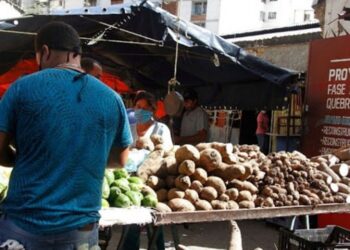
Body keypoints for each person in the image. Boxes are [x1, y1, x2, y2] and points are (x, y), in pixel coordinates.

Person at [0, 22, 132, 249]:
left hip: (24, 225)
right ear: (77, 54)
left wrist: (16, 159)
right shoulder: (112, 99)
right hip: (80, 230)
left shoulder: (21, 88)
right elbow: (120, 161)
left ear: (45, 52)